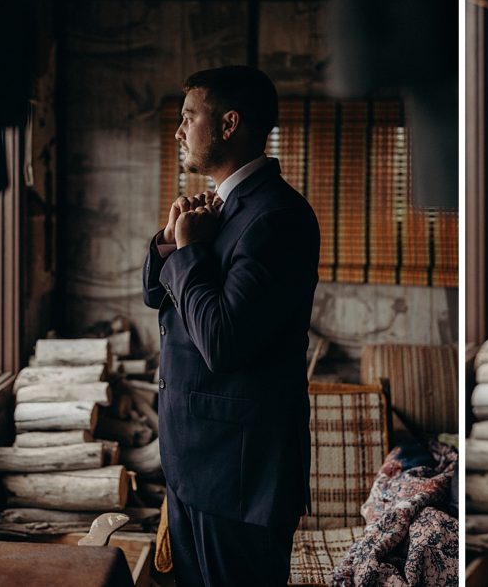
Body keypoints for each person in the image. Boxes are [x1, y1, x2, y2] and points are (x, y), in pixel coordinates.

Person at [143, 65, 319, 586]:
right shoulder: (220, 208)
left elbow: (222, 341)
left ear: (229, 124)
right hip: (192, 462)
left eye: (188, 117)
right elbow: (159, 297)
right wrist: (174, 239)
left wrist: (193, 249)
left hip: (240, 478)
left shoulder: (276, 216)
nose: (178, 130)